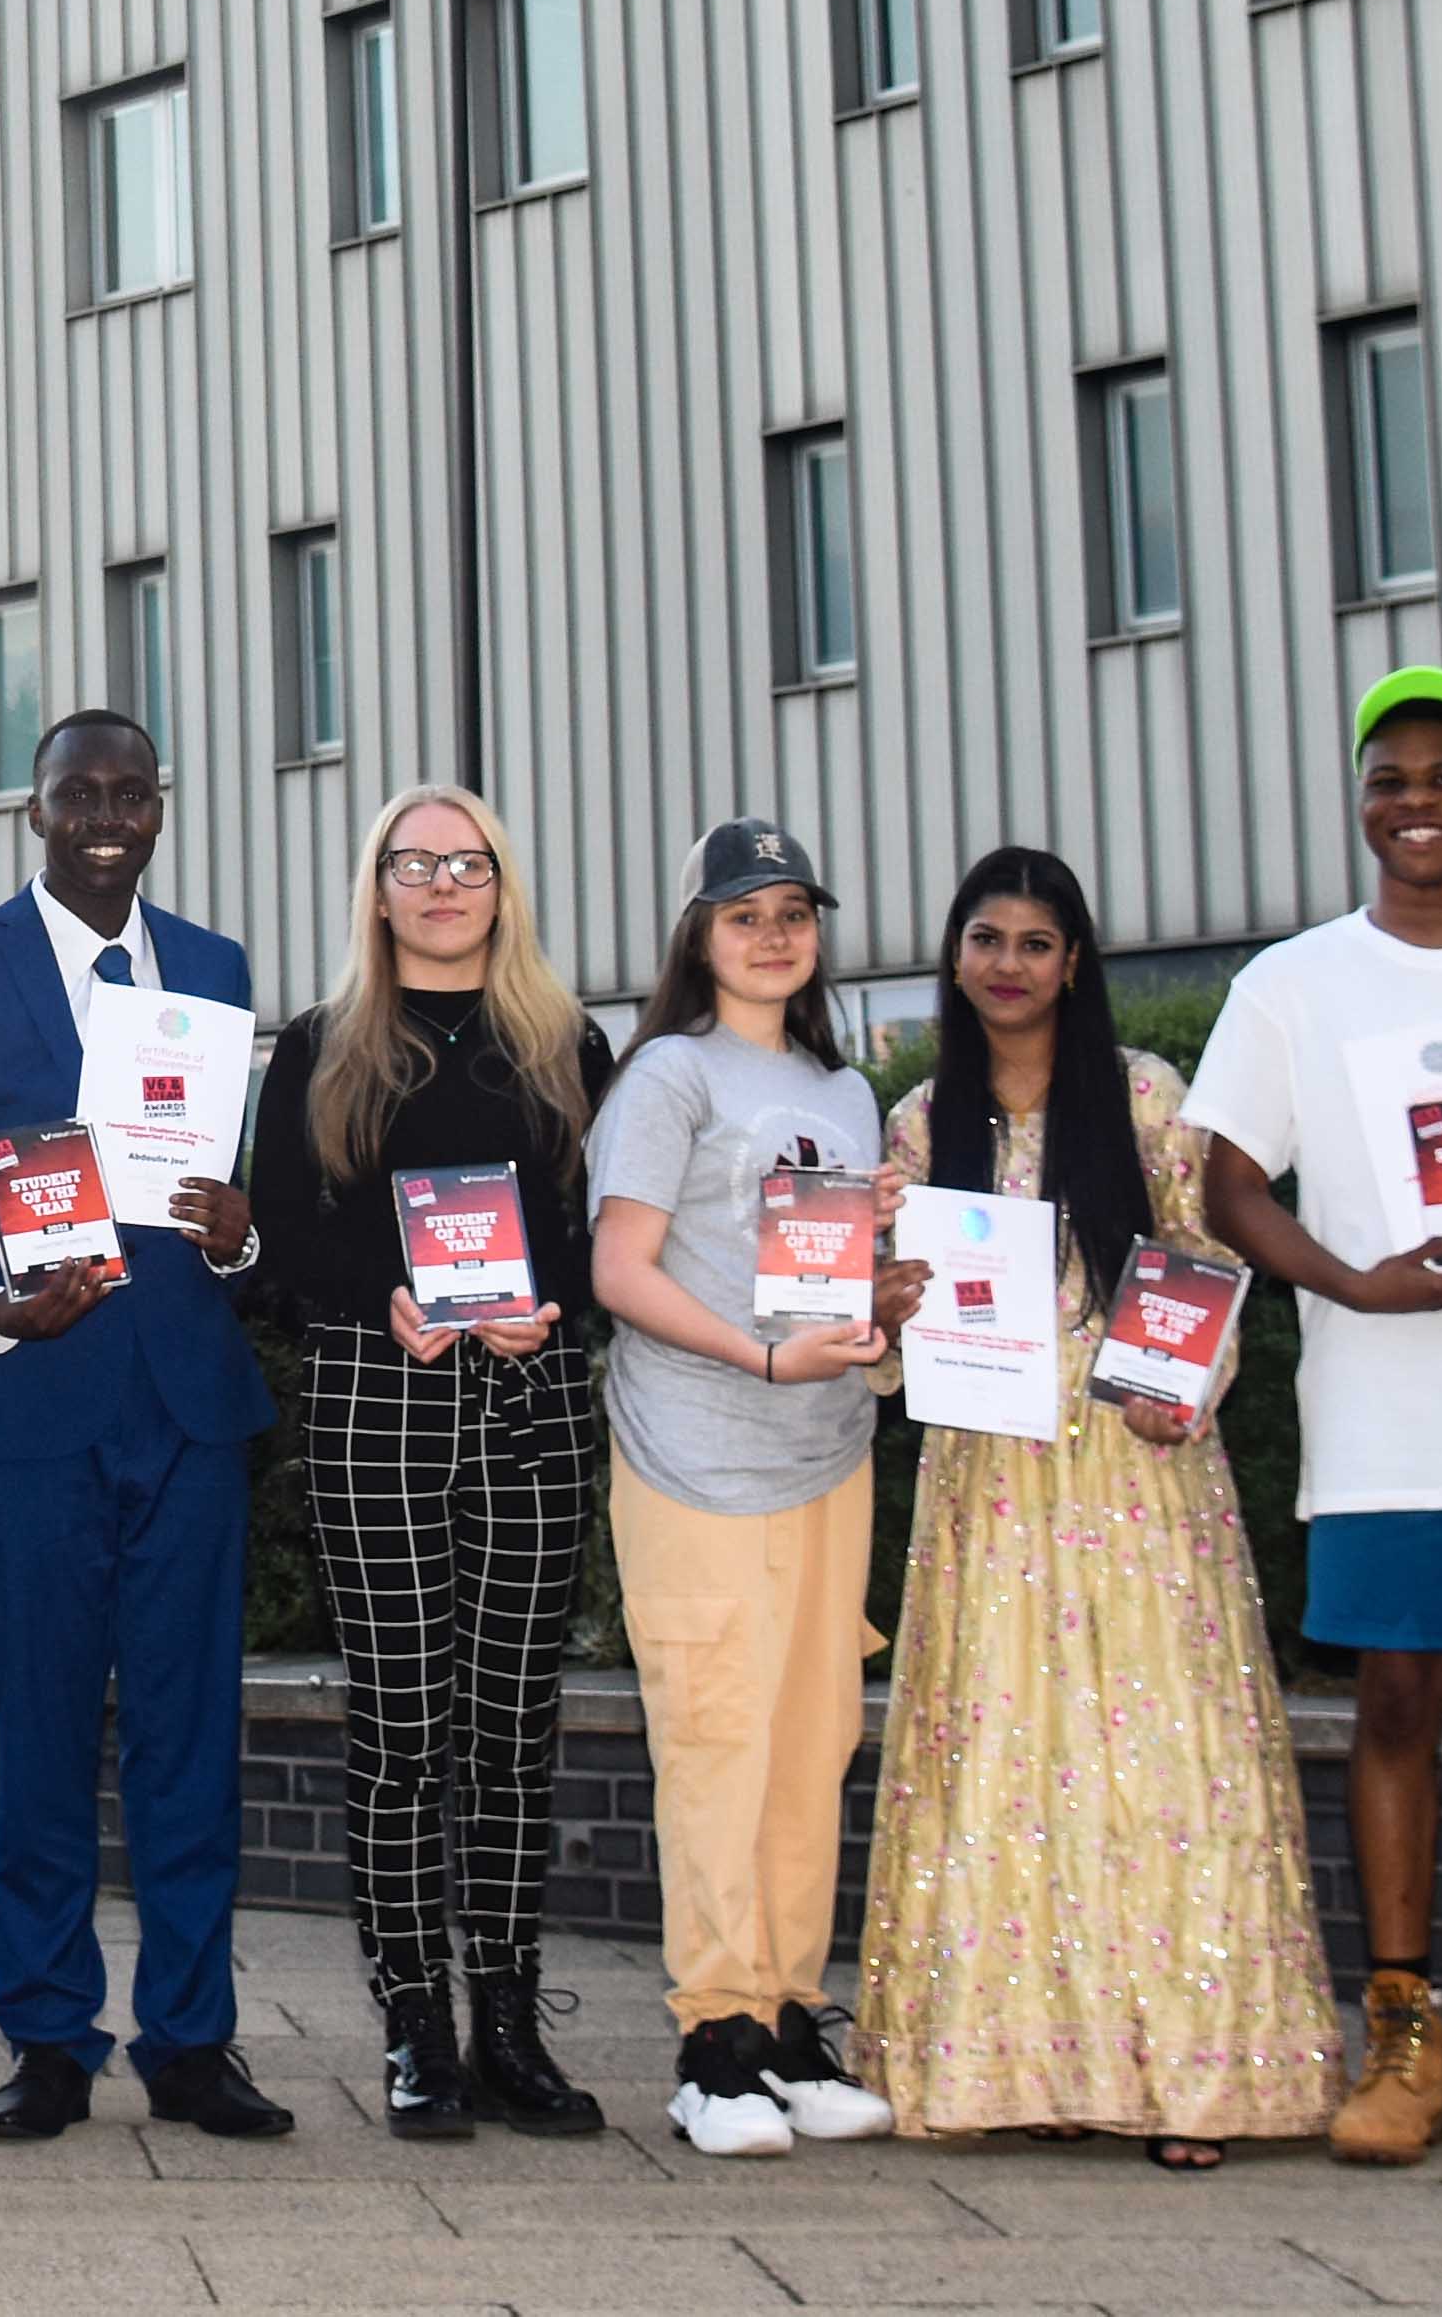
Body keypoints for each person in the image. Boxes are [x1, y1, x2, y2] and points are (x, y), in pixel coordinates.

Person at [857, 847, 1336, 2160]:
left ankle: (1190, 2079)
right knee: (1005, 1761)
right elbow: (886, 1344)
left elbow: (1206, 1259)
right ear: (955, 955)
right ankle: (1025, 2067)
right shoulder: (914, 1124)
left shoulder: (1143, 1097)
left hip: (1135, 1471)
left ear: (1076, 962)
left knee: (1158, 1767)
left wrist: (1184, 1381)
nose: (1009, 962)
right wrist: (883, 1310)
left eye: (1036, 940)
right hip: (990, 1487)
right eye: (987, 937)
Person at [0, 710, 292, 2143]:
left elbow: (227, 1192)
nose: (106, 814)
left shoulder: (218, 968)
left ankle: (192, 2040)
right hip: (27, 1407)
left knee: (192, 1741)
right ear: (35, 812)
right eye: (78, 794)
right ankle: (49, 2037)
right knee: (43, 1736)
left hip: (186, 1406)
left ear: (159, 807)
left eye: (130, 792)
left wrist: (242, 1238)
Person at [240, 785, 615, 2143]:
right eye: (416, 863)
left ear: (501, 884)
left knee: (515, 1730)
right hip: (376, 1400)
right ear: (380, 887)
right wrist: (391, 1290)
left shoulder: (569, 1043)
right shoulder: (322, 1046)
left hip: (533, 1403)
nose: (444, 883)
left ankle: (508, 2021)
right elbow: (278, 1242)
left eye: (468, 863)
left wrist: (556, 1300)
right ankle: (415, 2021)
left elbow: (600, 1232)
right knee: (400, 1731)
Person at [1185, 668, 1442, 2165]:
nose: (1418, 801)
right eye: (1391, 777)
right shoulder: (1296, 981)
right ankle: (1402, 2024)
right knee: (1394, 1703)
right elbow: (1225, 1178)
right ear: (1361, 802)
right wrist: (1347, 1282)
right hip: (1393, 1413)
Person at [583, 818, 924, 2162]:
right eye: (744, 913)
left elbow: (822, 1282)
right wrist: (762, 1354)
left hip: (826, 1455)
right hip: (697, 1456)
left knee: (810, 1737)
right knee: (719, 1740)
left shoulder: (846, 1092)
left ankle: (786, 2020)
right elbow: (622, 1268)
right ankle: (711, 2041)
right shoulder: (668, 1073)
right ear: (699, 937)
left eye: (793, 908)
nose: (774, 932)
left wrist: (882, 1295)